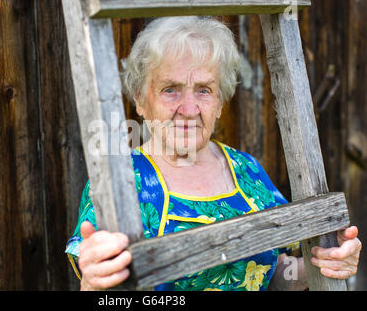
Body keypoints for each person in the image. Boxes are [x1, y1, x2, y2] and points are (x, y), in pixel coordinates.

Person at [65, 16, 361, 291]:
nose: (189, 109)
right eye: (171, 89)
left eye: (204, 90)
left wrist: (326, 261)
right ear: (140, 100)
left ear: (220, 102)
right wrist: (94, 281)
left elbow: (271, 273)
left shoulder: (246, 170)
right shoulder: (120, 182)